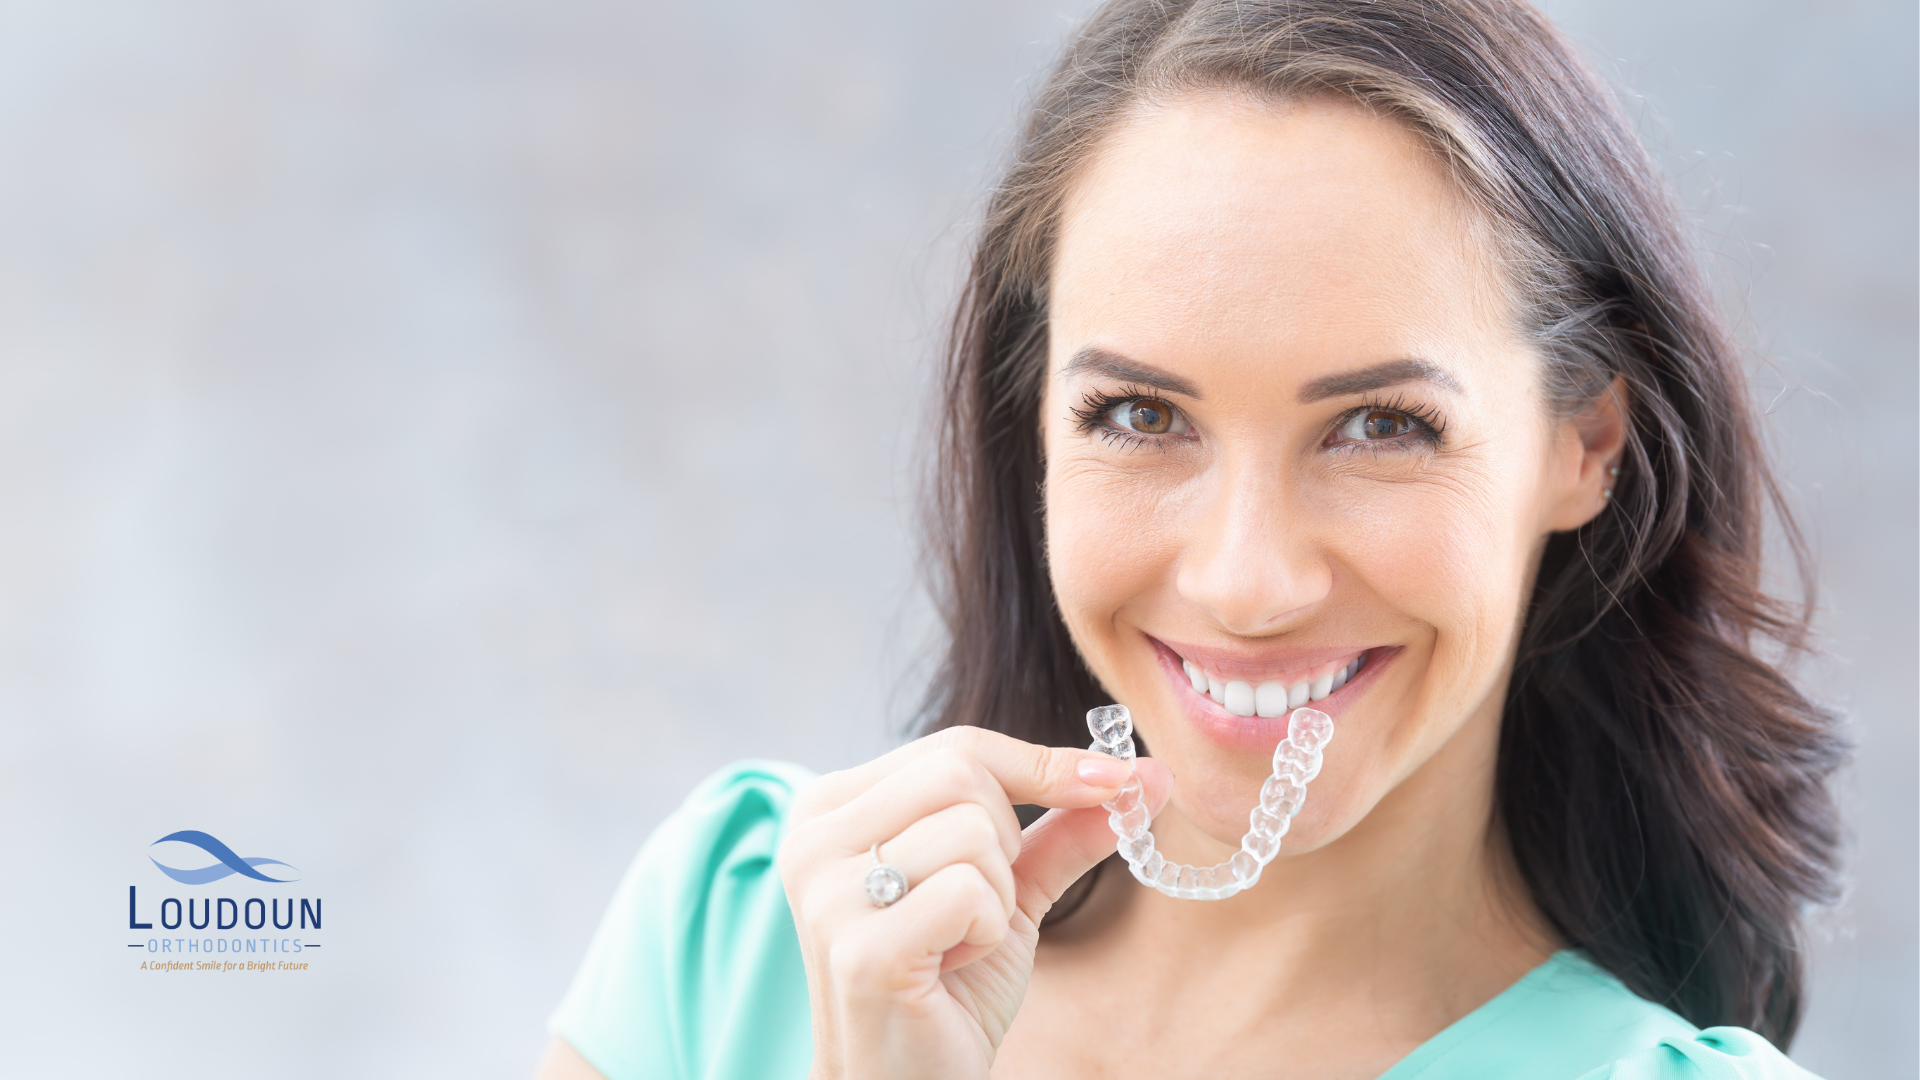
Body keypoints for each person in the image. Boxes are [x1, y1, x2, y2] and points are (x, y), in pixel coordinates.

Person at [536, 1, 1847, 1076]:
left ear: (1586, 446)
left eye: (1381, 426)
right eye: (1140, 413)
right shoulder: (733, 935)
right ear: (1035, 427)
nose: (1246, 581)